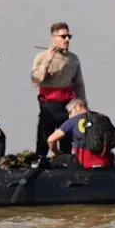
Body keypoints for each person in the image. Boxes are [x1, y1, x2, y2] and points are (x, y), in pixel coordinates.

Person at [30, 22, 86, 156]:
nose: (67, 40)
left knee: (67, 142)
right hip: (49, 105)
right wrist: (47, 61)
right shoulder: (42, 57)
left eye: (69, 37)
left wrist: (83, 107)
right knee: (43, 142)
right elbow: (35, 81)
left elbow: (78, 83)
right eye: (63, 36)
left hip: (68, 106)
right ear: (54, 38)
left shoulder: (73, 59)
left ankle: (67, 166)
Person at [46, 99, 115, 169]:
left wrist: (56, 152)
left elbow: (51, 140)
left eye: (70, 112)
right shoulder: (102, 119)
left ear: (78, 107)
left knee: (56, 159)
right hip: (104, 162)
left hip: (82, 162)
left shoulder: (73, 121)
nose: (69, 116)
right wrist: (106, 149)